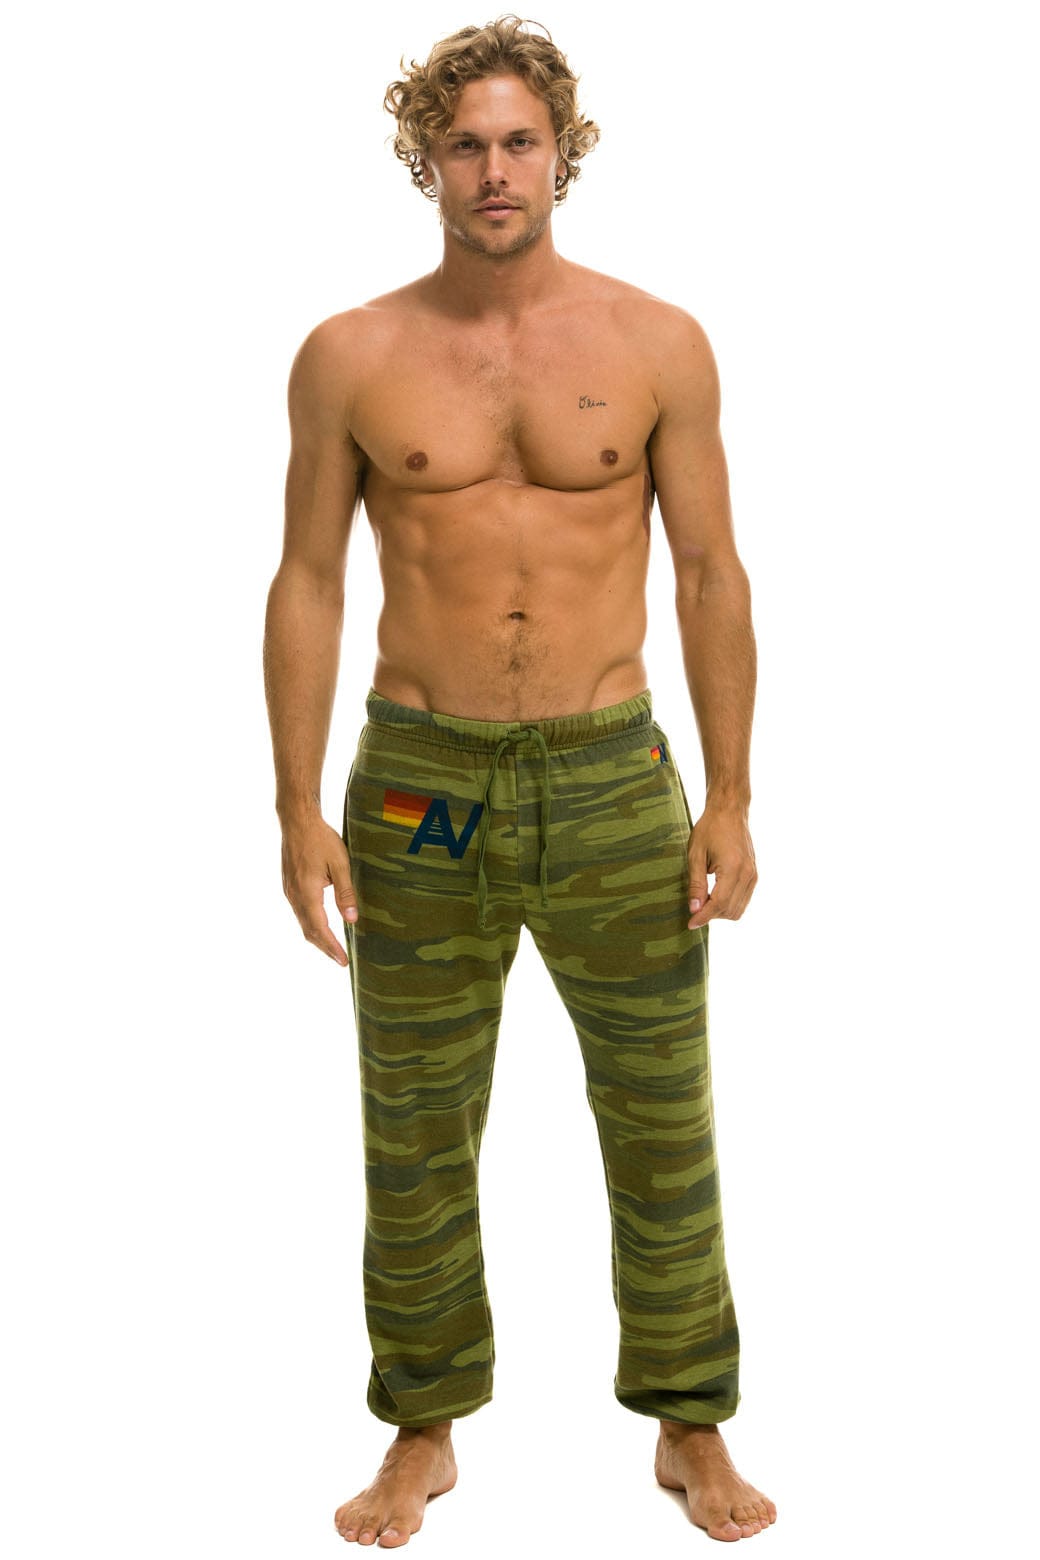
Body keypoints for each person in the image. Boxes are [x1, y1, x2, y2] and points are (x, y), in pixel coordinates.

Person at [263, 14, 776, 1547]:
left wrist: (732, 794)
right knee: (414, 1116)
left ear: (564, 154)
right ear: (425, 161)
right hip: (420, 784)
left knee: (661, 1107)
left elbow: (709, 572)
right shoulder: (351, 354)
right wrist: (296, 807)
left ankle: (690, 1420)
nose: (495, 169)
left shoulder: (657, 342)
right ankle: (422, 1428)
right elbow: (307, 581)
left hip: (612, 772)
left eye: (519, 142)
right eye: (465, 144)